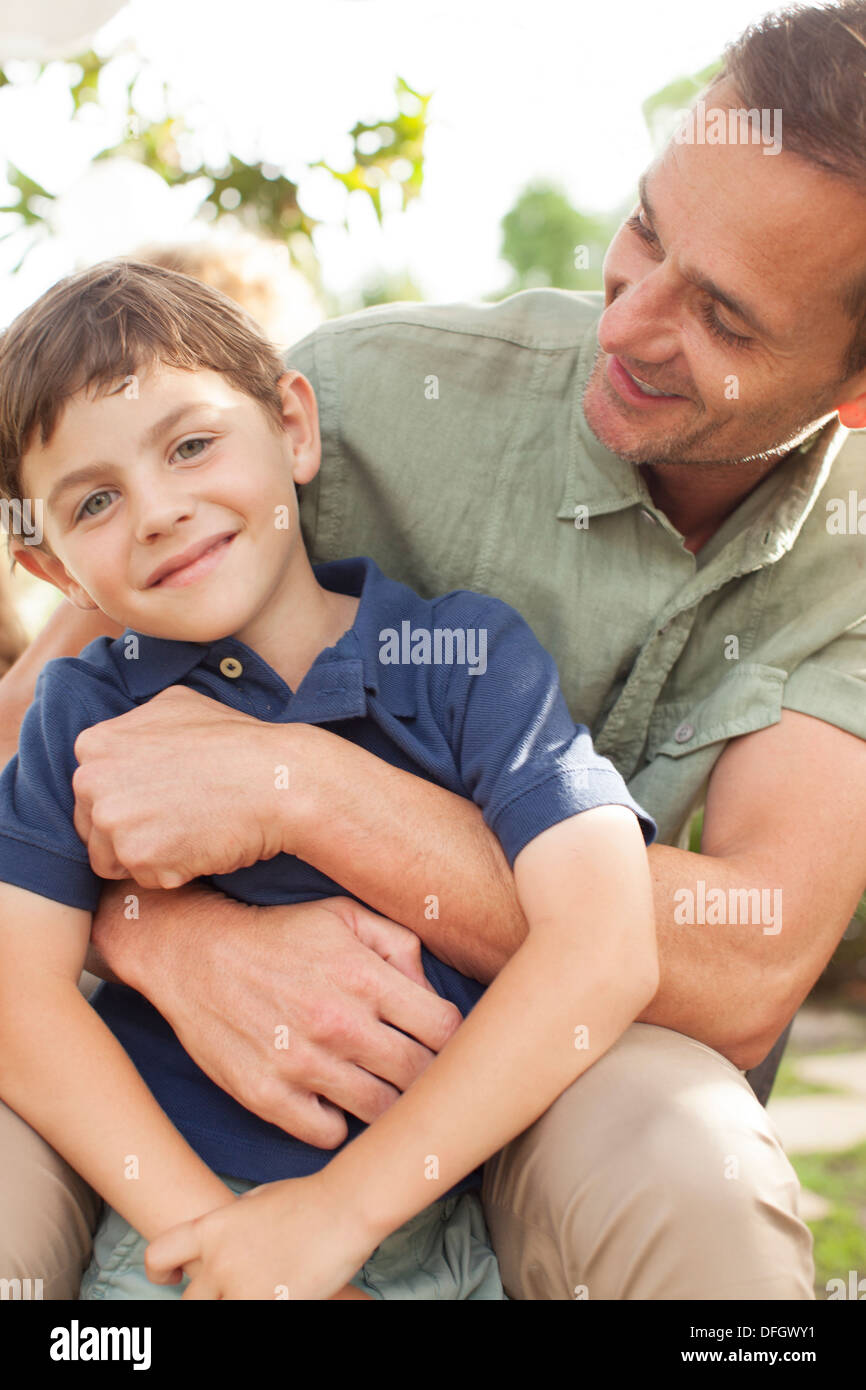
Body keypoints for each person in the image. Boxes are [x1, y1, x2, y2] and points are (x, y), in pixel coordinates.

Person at [1, 0, 865, 1300]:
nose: (624, 322)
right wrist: (151, 933)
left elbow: (737, 959)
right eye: (642, 229)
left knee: (693, 1164)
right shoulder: (354, 401)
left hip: (557, 1070)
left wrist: (297, 784)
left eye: (724, 323)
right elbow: (44, 756)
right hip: (174, 1098)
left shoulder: (825, 569)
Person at [0, 257, 659, 1300]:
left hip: (446, 1222)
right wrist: (221, 1242)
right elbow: (14, 993)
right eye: (92, 502)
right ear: (53, 571)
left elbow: (605, 941)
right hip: (177, 1239)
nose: (160, 510)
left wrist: (334, 1218)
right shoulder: (84, 717)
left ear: (293, 428)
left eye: (191, 445)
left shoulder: (466, 659)